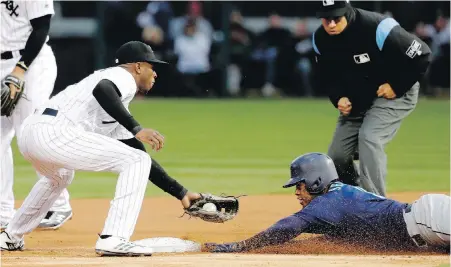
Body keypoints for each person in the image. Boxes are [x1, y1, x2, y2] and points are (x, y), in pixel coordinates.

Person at [0, 41, 203, 256]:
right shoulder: (121, 76)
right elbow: (103, 89)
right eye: (152, 67)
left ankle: (11, 235)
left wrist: (181, 192)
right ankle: (114, 238)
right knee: (135, 162)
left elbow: (139, 153)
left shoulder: (113, 106)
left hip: (33, 133)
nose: (155, 74)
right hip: (53, 131)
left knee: (61, 177)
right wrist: (137, 128)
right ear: (138, 66)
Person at [204, 152, 450, 253]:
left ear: (315, 180)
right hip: (427, 227)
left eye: (299, 185)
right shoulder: (338, 197)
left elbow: (288, 227)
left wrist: (241, 246)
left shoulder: (329, 202)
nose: (297, 193)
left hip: (429, 220)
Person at [312, 0, 432, 196]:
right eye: (326, 19)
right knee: (337, 156)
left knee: (369, 138)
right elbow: (327, 75)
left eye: (336, 18)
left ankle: (376, 204)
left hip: (396, 92)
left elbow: (422, 55)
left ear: (347, 11)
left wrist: (397, 85)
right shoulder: (320, 39)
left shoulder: (378, 27)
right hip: (359, 98)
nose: (331, 24)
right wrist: (338, 97)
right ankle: (355, 196)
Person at [0, 0, 73, 230]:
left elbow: (41, 28)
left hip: (30, 63)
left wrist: (20, 70)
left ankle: (59, 204)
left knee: (30, 135)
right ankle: (2, 211)